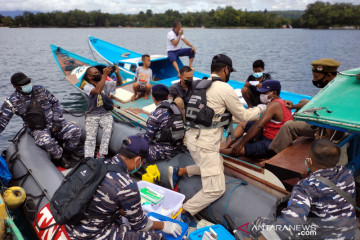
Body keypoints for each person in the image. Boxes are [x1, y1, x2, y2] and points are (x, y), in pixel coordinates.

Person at [168, 54, 266, 226]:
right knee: (216, 189)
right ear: (226, 69)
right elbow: (242, 115)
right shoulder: (224, 88)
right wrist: (260, 109)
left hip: (192, 138)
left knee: (216, 164)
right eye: (230, 71)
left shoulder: (200, 83)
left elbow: (218, 114)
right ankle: (185, 211)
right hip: (204, 144)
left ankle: (179, 171)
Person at [65, 135, 182, 240]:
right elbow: (140, 226)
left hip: (71, 222)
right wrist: (163, 225)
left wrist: (131, 212)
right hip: (89, 233)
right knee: (155, 237)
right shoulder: (127, 185)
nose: (141, 165)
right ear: (137, 160)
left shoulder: (98, 164)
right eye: (143, 162)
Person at [250, 139, 357, 240]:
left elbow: (290, 223)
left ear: (309, 161)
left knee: (258, 224)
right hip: (348, 235)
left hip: (319, 235)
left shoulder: (306, 186)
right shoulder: (346, 174)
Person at [0, 72, 81, 169]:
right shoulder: (11, 101)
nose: (27, 85)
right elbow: (2, 122)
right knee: (46, 141)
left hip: (54, 122)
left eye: (28, 82)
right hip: (38, 128)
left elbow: (55, 103)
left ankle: (67, 151)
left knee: (76, 131)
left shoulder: (41, 89)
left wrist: (56, 120)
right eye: (23, 84)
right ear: (15, 86)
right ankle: (59, 157)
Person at [269, 58, 341, 154]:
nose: (314, 80)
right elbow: (316, 102)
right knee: (303, 101)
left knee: (288, 125)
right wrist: (294, 106)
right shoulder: (335, 82)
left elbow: (331, 116)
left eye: (316, 77)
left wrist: (323, 138)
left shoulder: (333, 91)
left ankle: (273, 154)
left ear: (328, 75)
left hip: (325, 127)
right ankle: (291, 135)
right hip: (322, 115)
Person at [221, 80, 293, 159]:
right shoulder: (281, 101)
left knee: (238, 150)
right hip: (269, 133)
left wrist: (241, 144)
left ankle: (217, 151)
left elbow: (258, 125)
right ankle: (224, 145)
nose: (262, 95)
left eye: (265, 92)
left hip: (272, 143)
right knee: (243, 123)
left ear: (274, 93)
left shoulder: (274, 105)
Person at [82, 65, 122, 158]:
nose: (98, 74)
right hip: (92, 115)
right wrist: (105, 75)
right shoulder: (87, 86)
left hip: (104, 113)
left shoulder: (105, 84)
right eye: (95, 73)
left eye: (98, 72)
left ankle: (102, 154)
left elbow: (119, 83)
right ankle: (88, 158)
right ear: (89, 77)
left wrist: (116, 72)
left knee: (108, 130)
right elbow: (97, 90)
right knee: (90, 137)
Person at [145, 84, 184, 162]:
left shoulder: (155, 114)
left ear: (153, 98)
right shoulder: (176, 110)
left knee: (133, 146)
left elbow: (147, 138)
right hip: (177, 147)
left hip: (164, 150)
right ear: (167, 96)